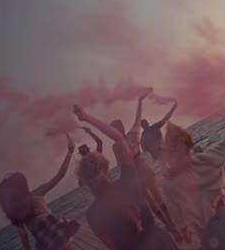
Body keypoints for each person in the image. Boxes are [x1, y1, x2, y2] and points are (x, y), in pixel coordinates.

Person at [73, 105, 178, 250]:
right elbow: (119, 138)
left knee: (154, 202)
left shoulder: (92, 215)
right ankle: (173, 227)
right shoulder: (128, 182)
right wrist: (86, 117)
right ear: (105, 168)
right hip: (161, 243)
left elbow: (113, 247)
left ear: (85, 182)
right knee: (157, 199)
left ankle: (172, 226)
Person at [162, 101, 225, 249]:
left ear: (185, 144)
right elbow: (176, 215)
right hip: (208, 236)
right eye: (169, 149)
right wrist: (184, 233)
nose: (173, 151)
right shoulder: (170, 183)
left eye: (175, 146)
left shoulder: (205, 160)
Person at [110, 90, 181, 241]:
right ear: (121, 128)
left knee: (151, 200)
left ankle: (169, 225)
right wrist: (140, 100)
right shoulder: (133, 134)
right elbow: (138, 117)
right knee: (157, 197)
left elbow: (121, 166)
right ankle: (172, 225)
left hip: (133, 173)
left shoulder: (117, 146)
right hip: (141, 167)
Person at [0, 133, 80, 250]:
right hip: (56, 230)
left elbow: (24, 236)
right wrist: (70, 152)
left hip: (44, 241)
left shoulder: (16, 212)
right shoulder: (36, 193)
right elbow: (60, 175)